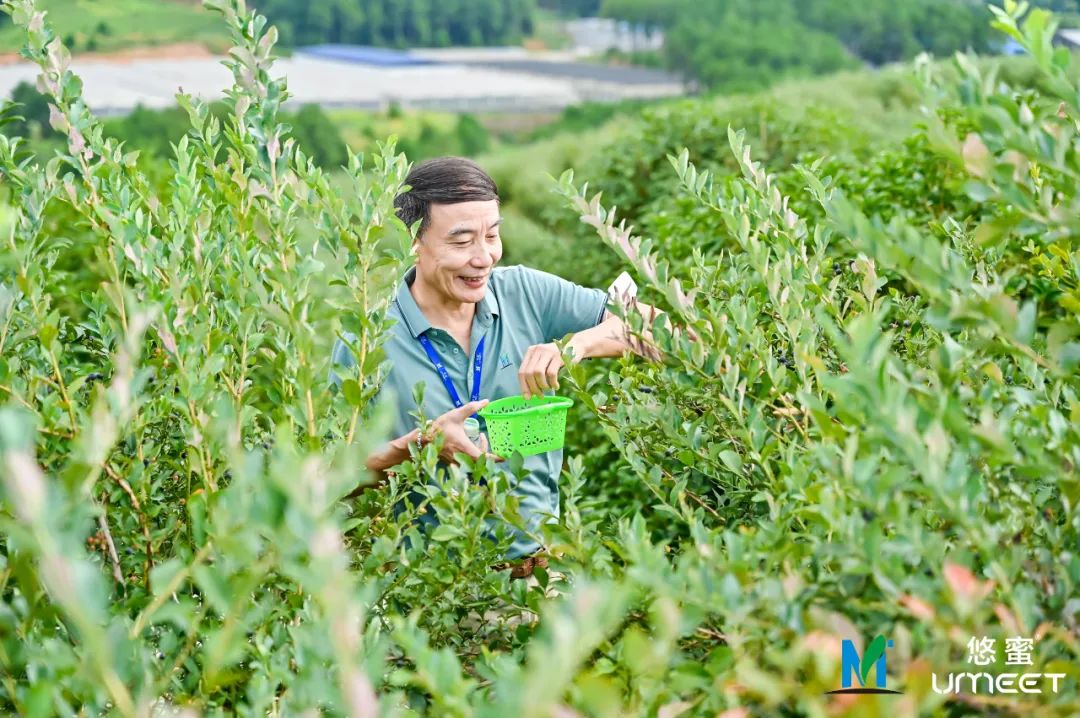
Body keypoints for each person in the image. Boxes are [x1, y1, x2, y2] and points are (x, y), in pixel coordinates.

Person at [330, 156, 676, 578]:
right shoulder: (366, 342)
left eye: (492, 235)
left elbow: (675, 338)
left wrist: (578, 344)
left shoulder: (525, 292)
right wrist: (414, 449)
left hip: (544, 579)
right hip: (435, 596)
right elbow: (334, 483)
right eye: (461, 242)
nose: (483, 257)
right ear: (415, 241)